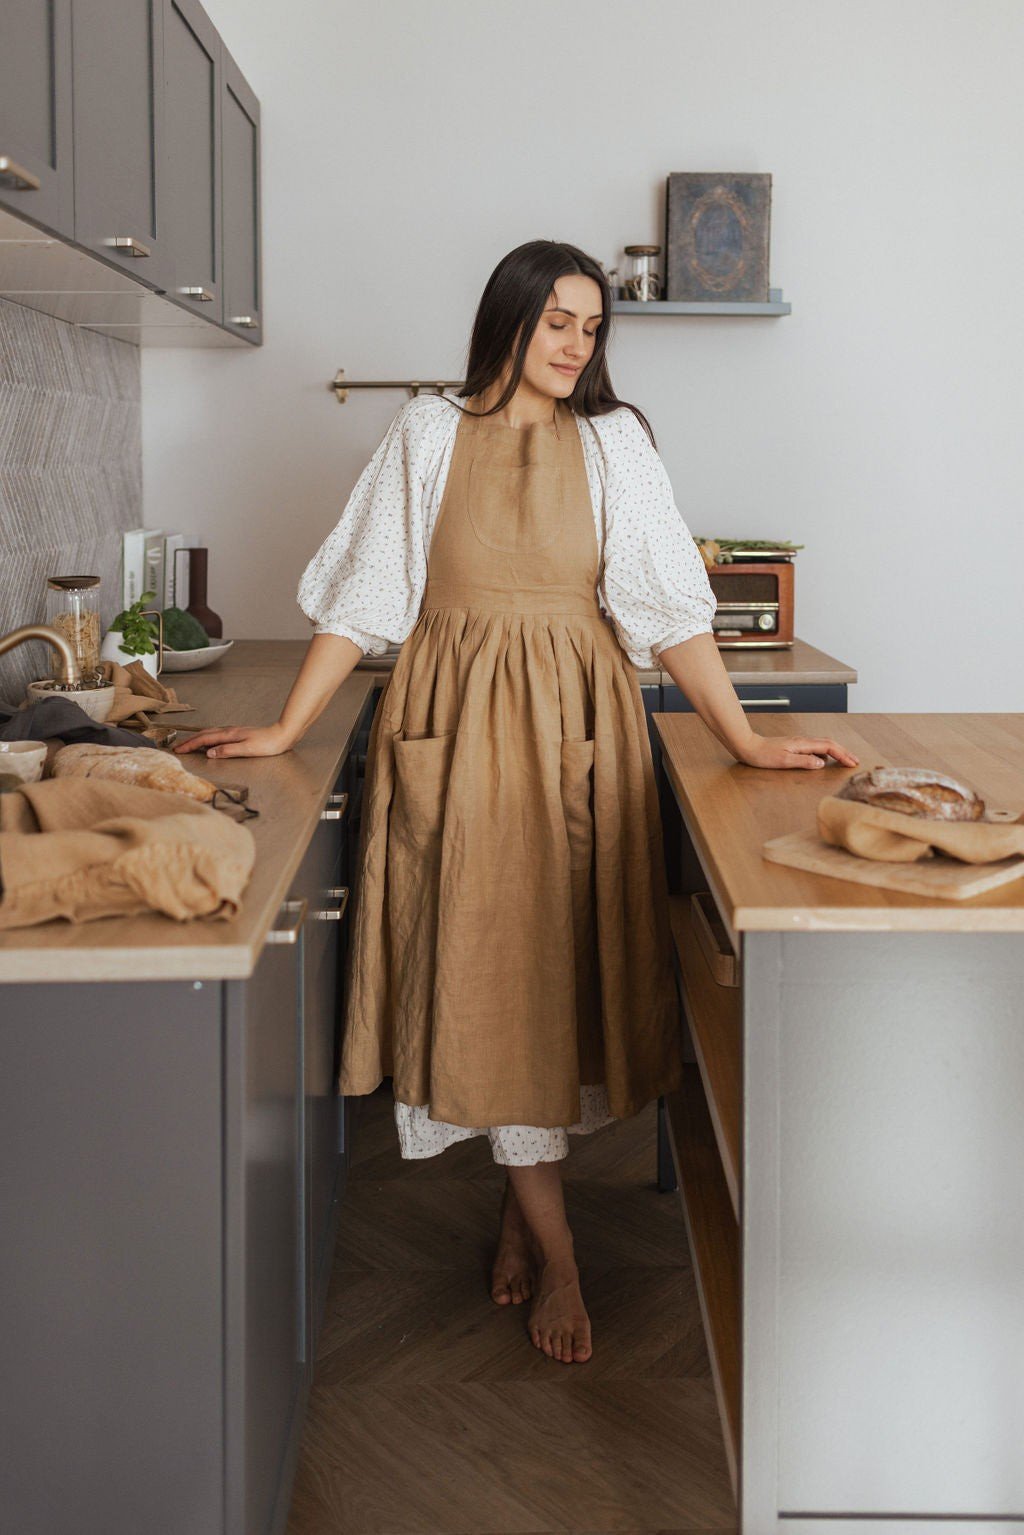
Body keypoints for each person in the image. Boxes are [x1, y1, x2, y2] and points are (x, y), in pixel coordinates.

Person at [176, 239, 858, 1366]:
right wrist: (291, 727)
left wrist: (739, 735)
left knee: (552, 976)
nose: (575, 344)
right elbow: (364, 597)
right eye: (557, 321)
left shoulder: (614, 442)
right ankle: (562, 1251)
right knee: (485, 974)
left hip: (576, 729)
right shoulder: (425, 434)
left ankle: (521, 1201)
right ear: (508, 318)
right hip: (450, 727)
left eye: (591, 327)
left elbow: (666, 607)